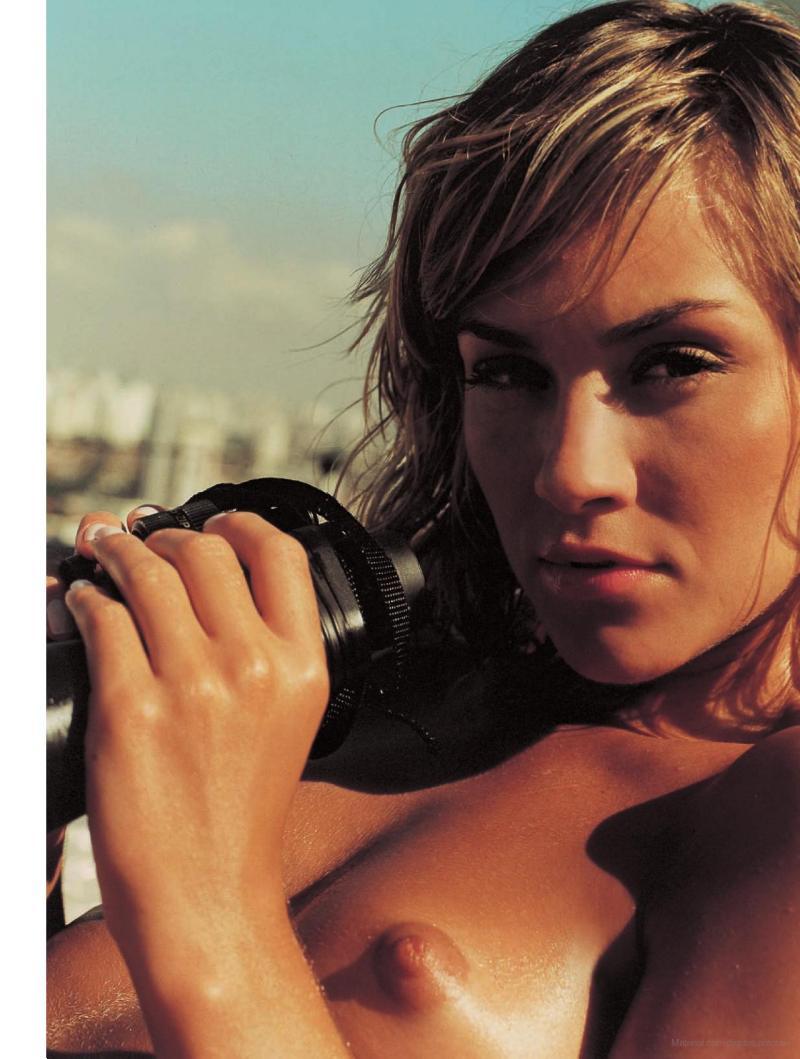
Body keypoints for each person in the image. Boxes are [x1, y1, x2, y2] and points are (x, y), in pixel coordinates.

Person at [46, 1, 800, 1055]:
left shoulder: (761, 811)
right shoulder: (341, 695)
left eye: (672, 363)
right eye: (508, 371)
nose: (569, 470)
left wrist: (205, 902)